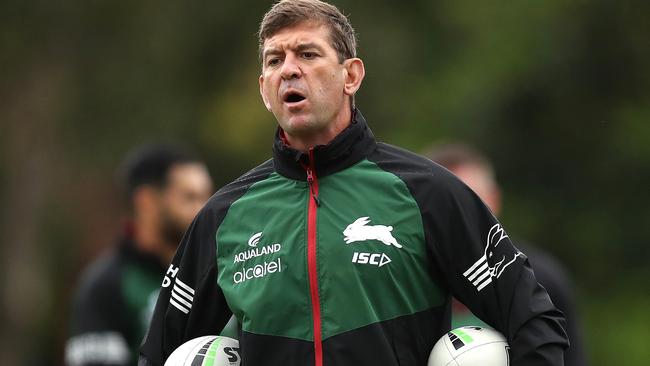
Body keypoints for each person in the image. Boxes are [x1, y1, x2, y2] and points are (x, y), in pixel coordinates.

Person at [139, 1, 569, 365]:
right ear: (264, 89)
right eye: (275, 60)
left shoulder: (429, 194)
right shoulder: (223, 216)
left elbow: (534, 320)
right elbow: (159, 351)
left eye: (307, 55)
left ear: (351, 76)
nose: (289, 70)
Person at [424, 142, 588, 366]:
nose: (459, 215)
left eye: (470, 200)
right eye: (446, 204)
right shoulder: (397, 272)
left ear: (494, 198)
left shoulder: (541, 279)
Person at [65, 144, 214, 366]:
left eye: (208, 196)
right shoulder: (106, 286)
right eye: (189, 198)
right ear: (147, 201)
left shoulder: (222, 272)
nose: (206, 210)